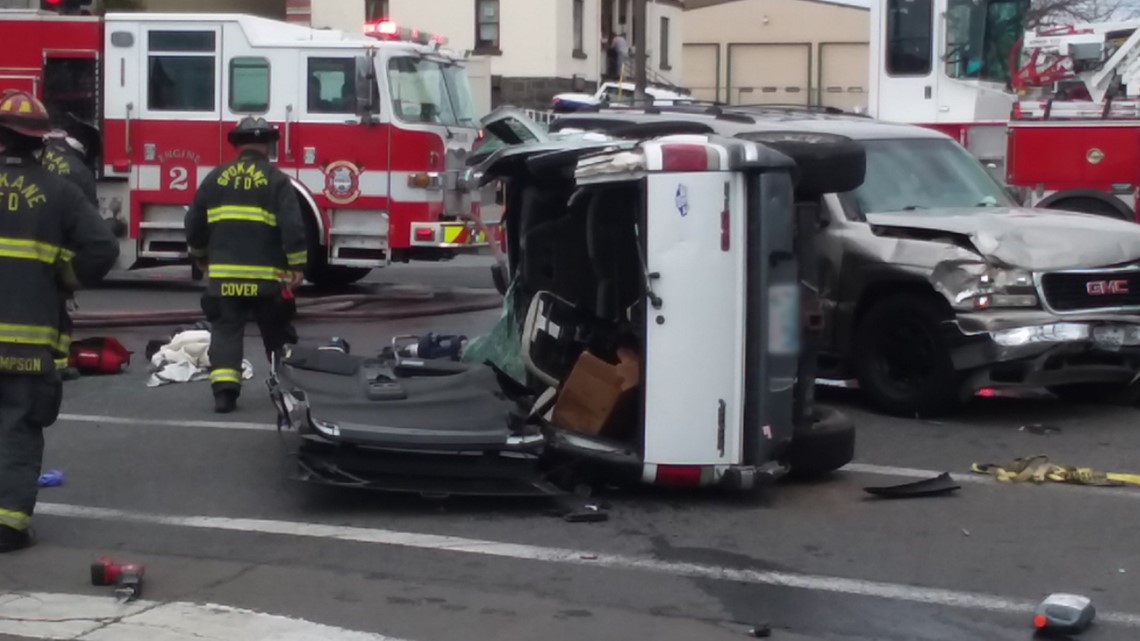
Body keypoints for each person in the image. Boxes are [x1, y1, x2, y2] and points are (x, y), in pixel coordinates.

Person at [0, 91, 118, 553]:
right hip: (29, 342)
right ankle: (8, 525)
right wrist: (63, 275)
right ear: (40, 142)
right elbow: (102, 249)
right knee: (19, 426)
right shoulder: (61, 192)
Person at [184, 116, 307, 414]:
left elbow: (194, 222)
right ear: (268, 145)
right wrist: (297, 266)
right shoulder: (277, 180)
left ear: (237, 144)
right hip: (268, 280)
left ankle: (225, 393)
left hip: (224, 279)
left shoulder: (215, 178)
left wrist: (200, 254)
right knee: (276, 333)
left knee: (225, 331)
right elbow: (293, 227)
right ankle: (287, 387)